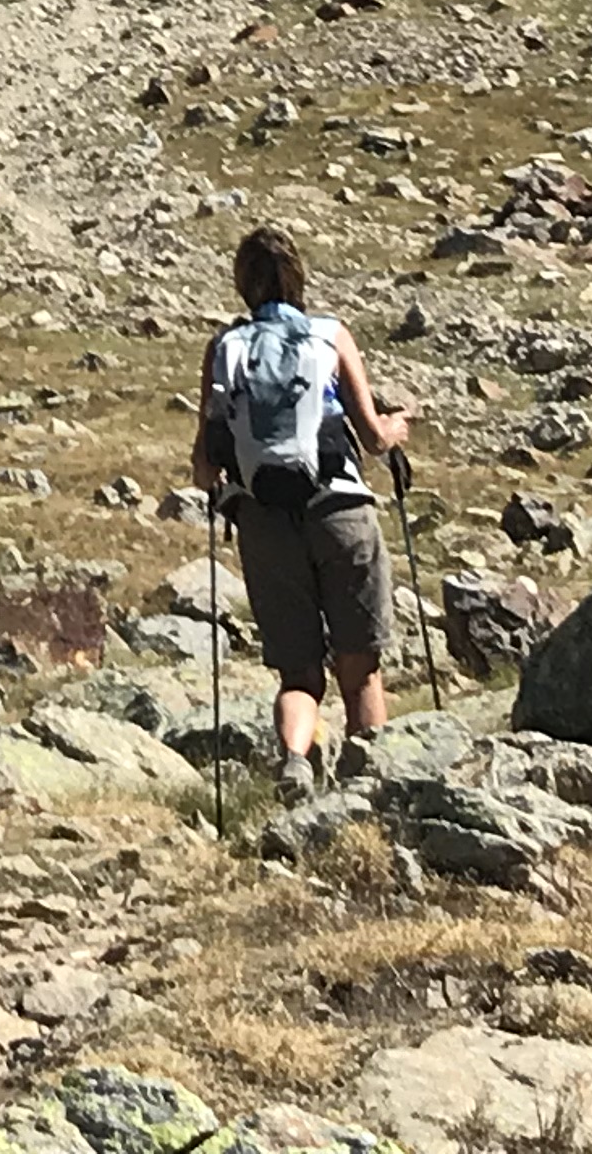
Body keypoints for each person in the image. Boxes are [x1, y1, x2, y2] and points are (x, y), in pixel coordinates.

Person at [193, 222, 413, 788]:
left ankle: (294, 759)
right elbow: (372, 437)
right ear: (299, 279)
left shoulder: (225, 348)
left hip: (265, 522)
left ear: (243, 284)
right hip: (340, 512)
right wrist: (396, 426)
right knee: (359, 669)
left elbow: (203, 465)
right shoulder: (330, 336)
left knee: (298, 671)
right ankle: (370, 784)